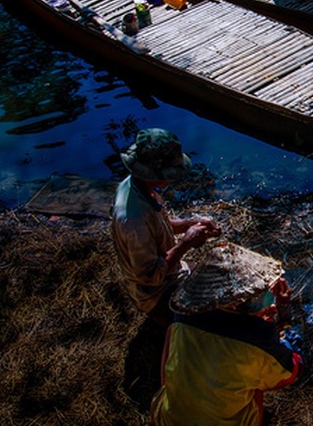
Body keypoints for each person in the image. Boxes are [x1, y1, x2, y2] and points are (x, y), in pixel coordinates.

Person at [151, 243, 301, 425]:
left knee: (172, 332)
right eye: (259, 293)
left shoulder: (185, 315)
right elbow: (292, 371)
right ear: (238, 301)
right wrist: (283, 319)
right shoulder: (258, 338)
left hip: (168, 419)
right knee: (256, 385)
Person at [111, 128, 220, 326]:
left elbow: (161, 225)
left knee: (215, 276)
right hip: (155, 293)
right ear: (155, 174)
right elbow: (150, 276)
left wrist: (190, 223)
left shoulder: (139, 186)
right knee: (221, 314)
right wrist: (186, 243)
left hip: (173, 272)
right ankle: (165, 316)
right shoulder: (133, 221)